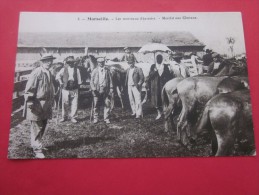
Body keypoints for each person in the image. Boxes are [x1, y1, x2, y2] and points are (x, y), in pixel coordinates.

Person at [23, 54, 56, 158]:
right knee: (37, 126)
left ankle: (38, 144)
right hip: (36, 104)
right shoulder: (37, 72)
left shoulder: (49, 72)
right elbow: (29, 89)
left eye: (50, 61)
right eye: (46, 61)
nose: (49, 63)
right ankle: (37, 150)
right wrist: (30, 103)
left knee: (43, 125)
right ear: (42, 62)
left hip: (46, 104)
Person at [56, 56, 82, 123]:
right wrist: (61, 82)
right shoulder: (63, 69)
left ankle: (73, 117)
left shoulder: (77, 69)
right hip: (65, 88)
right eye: (69, 62)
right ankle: (64, 117)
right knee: (65, 103)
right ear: (67, 63)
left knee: (74, 103)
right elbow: (57, 76)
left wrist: (78, 87)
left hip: (74, 88)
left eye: (72, 62)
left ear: (74, 63)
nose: (70, 64)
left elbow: (79, 80)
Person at [148, 54, 173, 120]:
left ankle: (166, 111)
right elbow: (150, 75)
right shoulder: (153, 66)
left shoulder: (165, 66)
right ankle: (159, 113)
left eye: (160, 59)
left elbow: (168, 75)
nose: (159, 60)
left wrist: (169, 71)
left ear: (162, 59)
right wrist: (155, 71)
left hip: (163, 85)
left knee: (164, 97)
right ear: (156, 59)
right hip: (155, 86)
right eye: (158, 59)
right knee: (157, 99)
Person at [90, 57, 113, 124]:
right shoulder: (94, 71)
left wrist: (111, 88)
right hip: (97, 90)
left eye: (102, 62)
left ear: (104, 63)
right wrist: (93, 88)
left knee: (107, 104)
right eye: (100, 63)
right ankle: (96, 118)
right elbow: (91, 81)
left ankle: (106, 118)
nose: (101, 64)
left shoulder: (107, 71)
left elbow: (110, 80)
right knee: (96, 104)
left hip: (106, 90)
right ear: (98, 63)